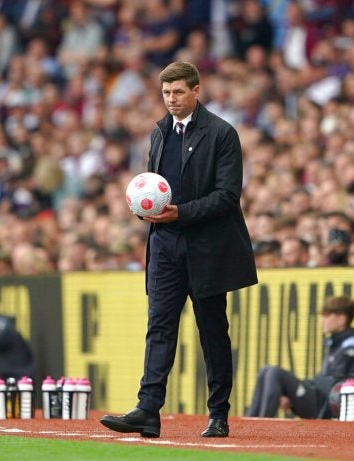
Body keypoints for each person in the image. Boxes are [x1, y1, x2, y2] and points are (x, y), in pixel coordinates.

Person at [100, 61, 257, 439]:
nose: (171, 100)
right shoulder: (158, 133)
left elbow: (227, 196)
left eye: (179, 92)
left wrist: (180, 213)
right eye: (166, 93)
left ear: (196, 91)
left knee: (213, 332)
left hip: (206, 248)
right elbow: (152, 186)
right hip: (165, 246)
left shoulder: (221, 133)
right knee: (159, 328)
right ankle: (148, 409)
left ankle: (218, 413)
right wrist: (147, 210)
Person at [246, 296, 354, 419]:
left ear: (342, 319)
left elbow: (333, 384)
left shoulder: (351, 348)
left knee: (275, 373)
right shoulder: (335, 344)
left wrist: (300, 392)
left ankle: (262, 423)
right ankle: (250, 423)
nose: (322, 320)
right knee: (265, 370)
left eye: (327, 315)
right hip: (320, 398)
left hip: (326, 405)